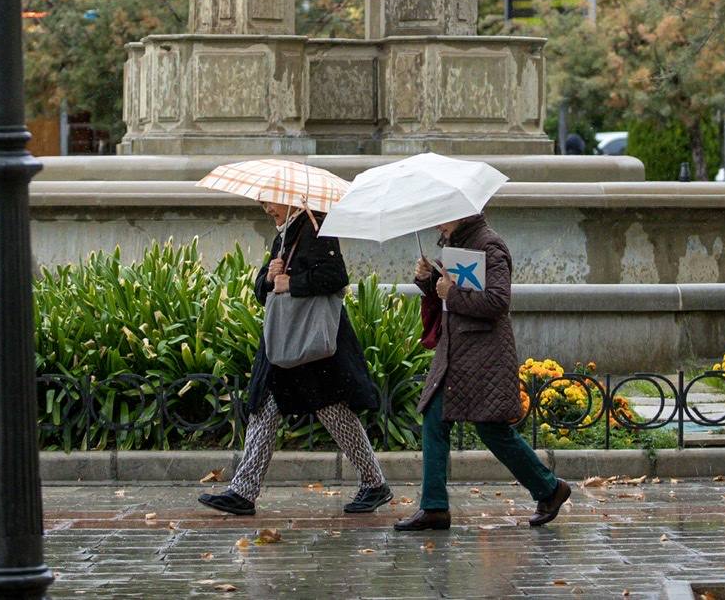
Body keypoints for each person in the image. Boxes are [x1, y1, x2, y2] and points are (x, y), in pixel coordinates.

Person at [199, 200, 392, 517]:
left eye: (269, 201)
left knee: (333, 412)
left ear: (291, 198)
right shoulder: (286, 233)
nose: (266, 208)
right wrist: (269, 277)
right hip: (285, 339)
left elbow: (336, 276)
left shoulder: (317, 229)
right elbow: (264, 290)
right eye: (262, 202)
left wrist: (293, 283)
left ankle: (374, 482)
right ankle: (243, 491)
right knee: (265, 407)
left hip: (310, 342)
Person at [394, 213, 571, 532]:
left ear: (462, 215)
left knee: (492, 429)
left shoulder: (490, 245)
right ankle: (434, 506)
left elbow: (498, 301)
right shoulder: (458, 243)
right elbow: (451, 292)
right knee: (434, 417)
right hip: (456, 352)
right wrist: (429, 280)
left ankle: (549, 489)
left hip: (483, 354)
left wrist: (451, 293)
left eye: (443, 218)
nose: (438, 225)